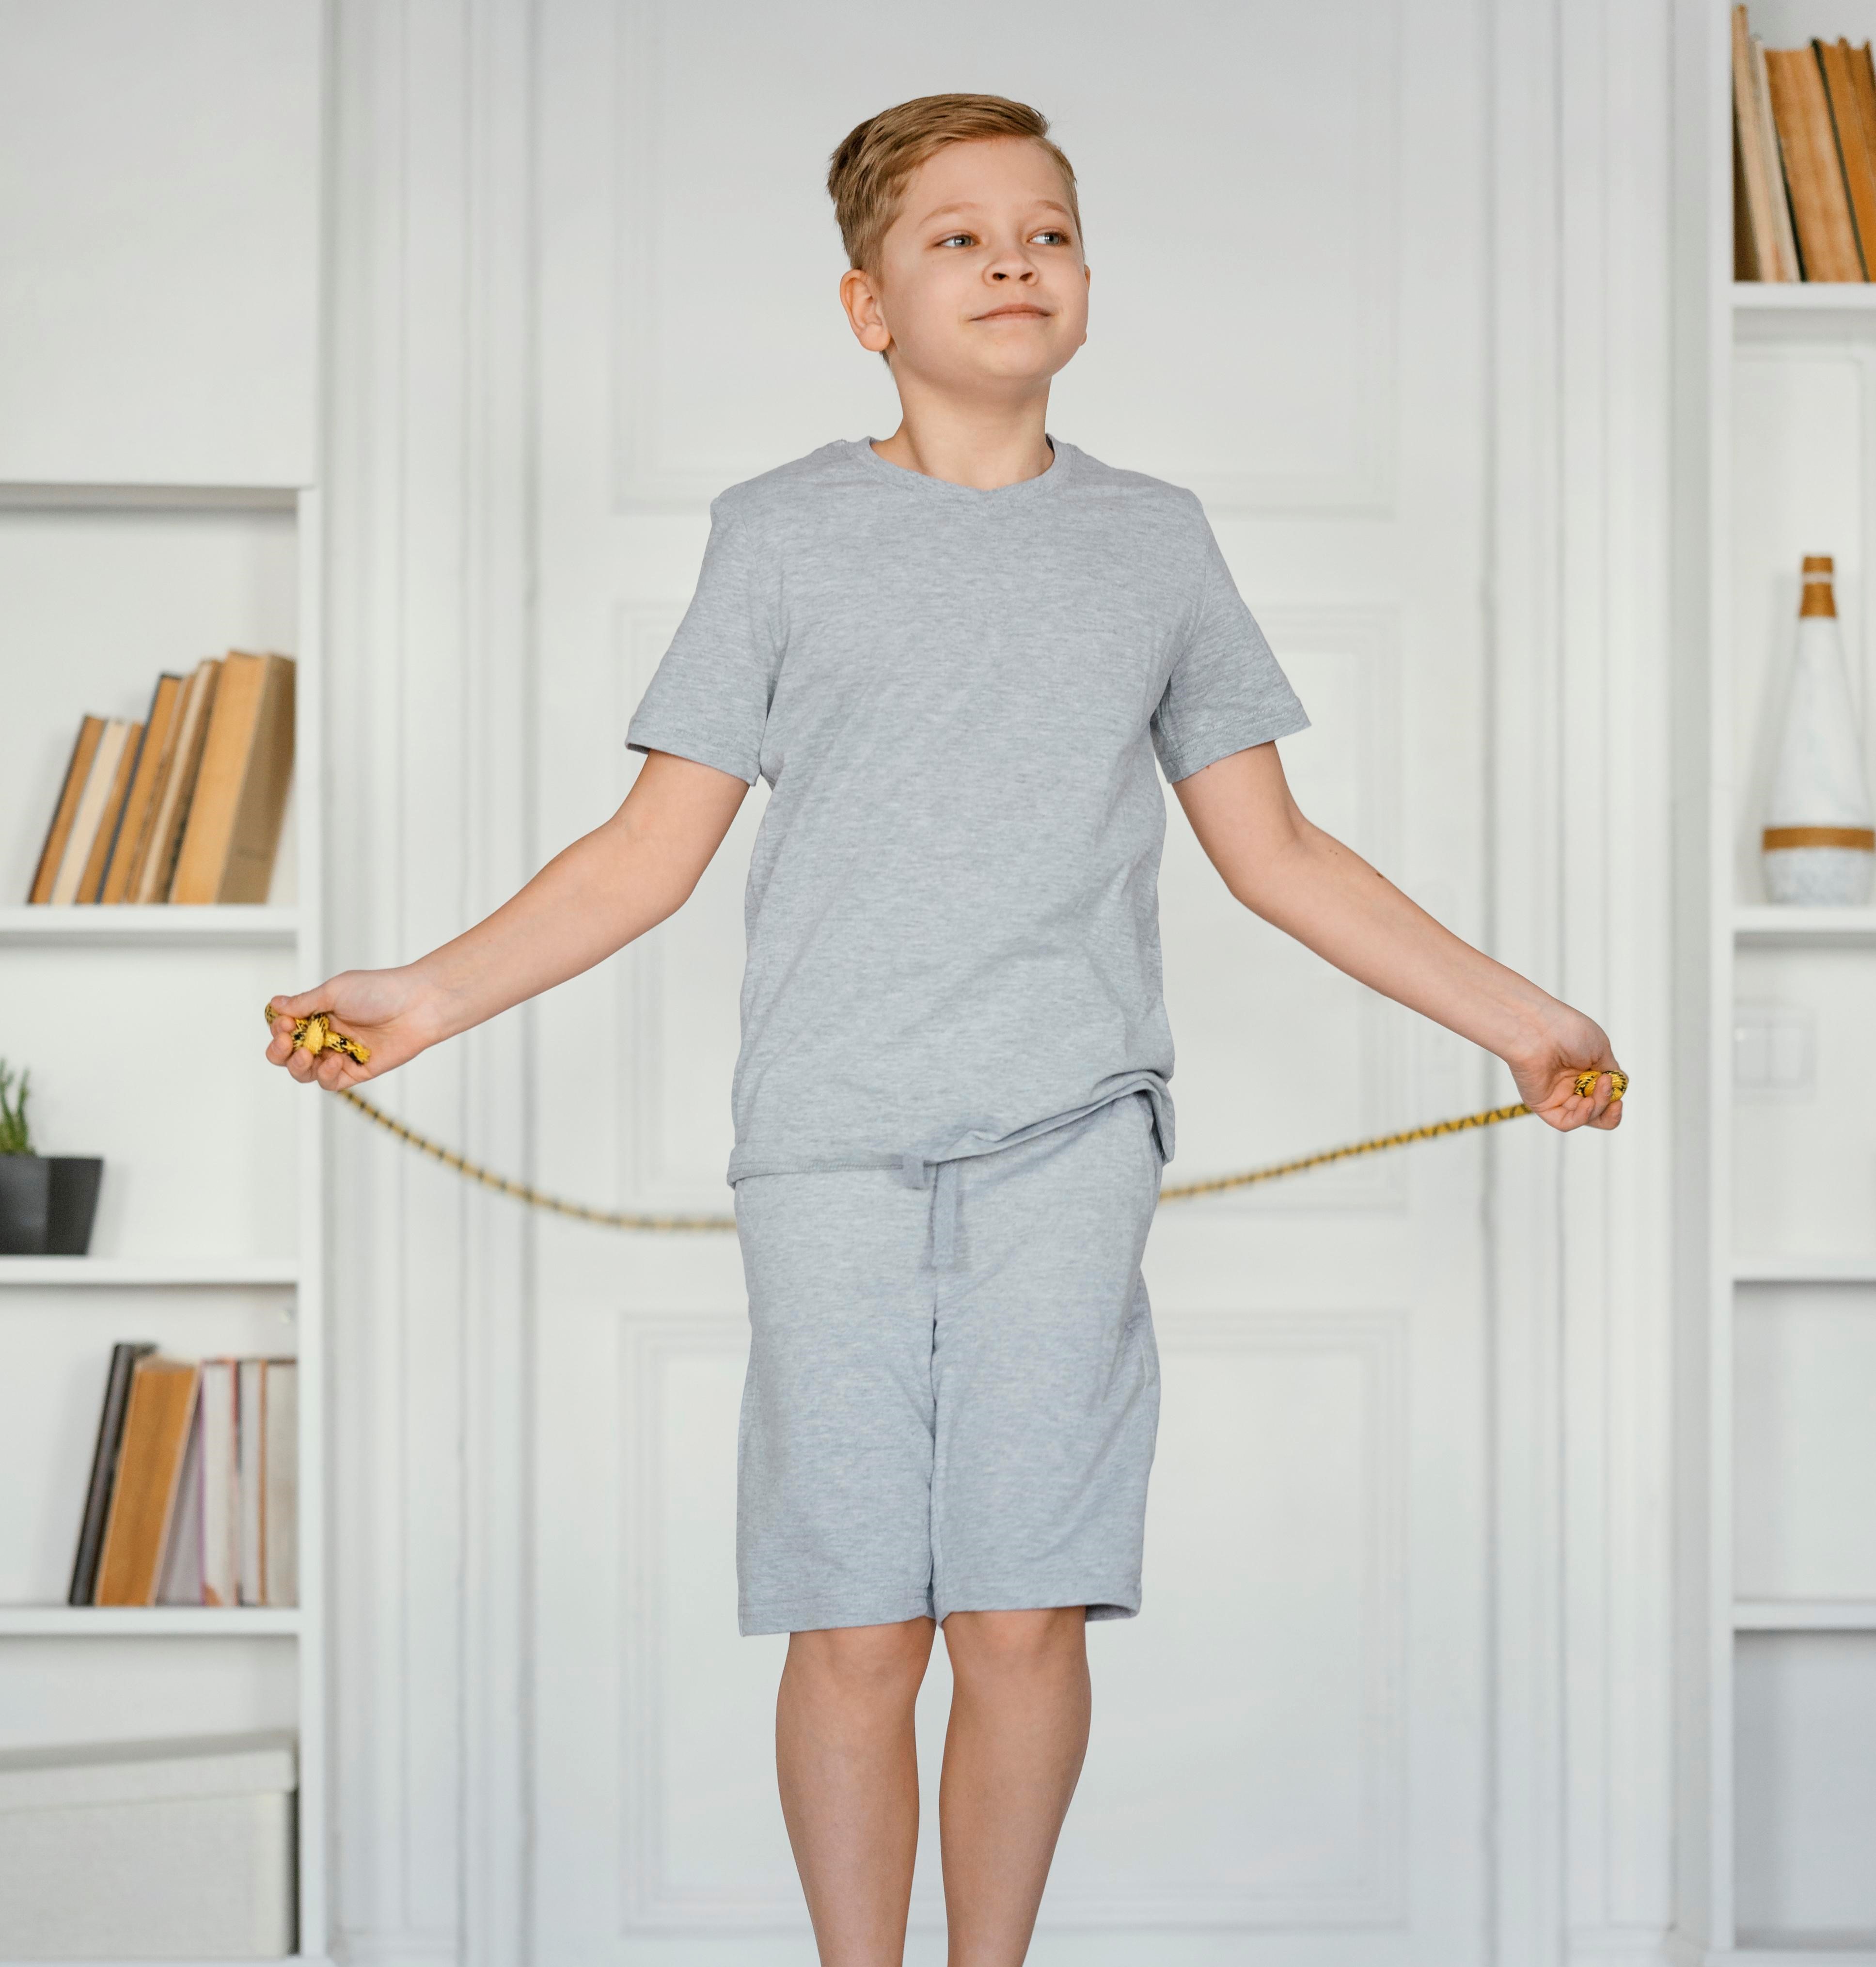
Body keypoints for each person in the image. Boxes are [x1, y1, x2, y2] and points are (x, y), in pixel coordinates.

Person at [267, 92, 1624, 1967]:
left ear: (1085, 279)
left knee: (1020, 1614)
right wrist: (423, 993)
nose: (1011, 259)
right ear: (866, 307)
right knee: (857, 1623)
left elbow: (1280, 853)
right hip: (826, 1141)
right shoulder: (779, 533)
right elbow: (649, 851)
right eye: (957, 236)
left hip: (1071, 1138)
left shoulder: (1156, 541)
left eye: (1047, 232)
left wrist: (1525, 1019)